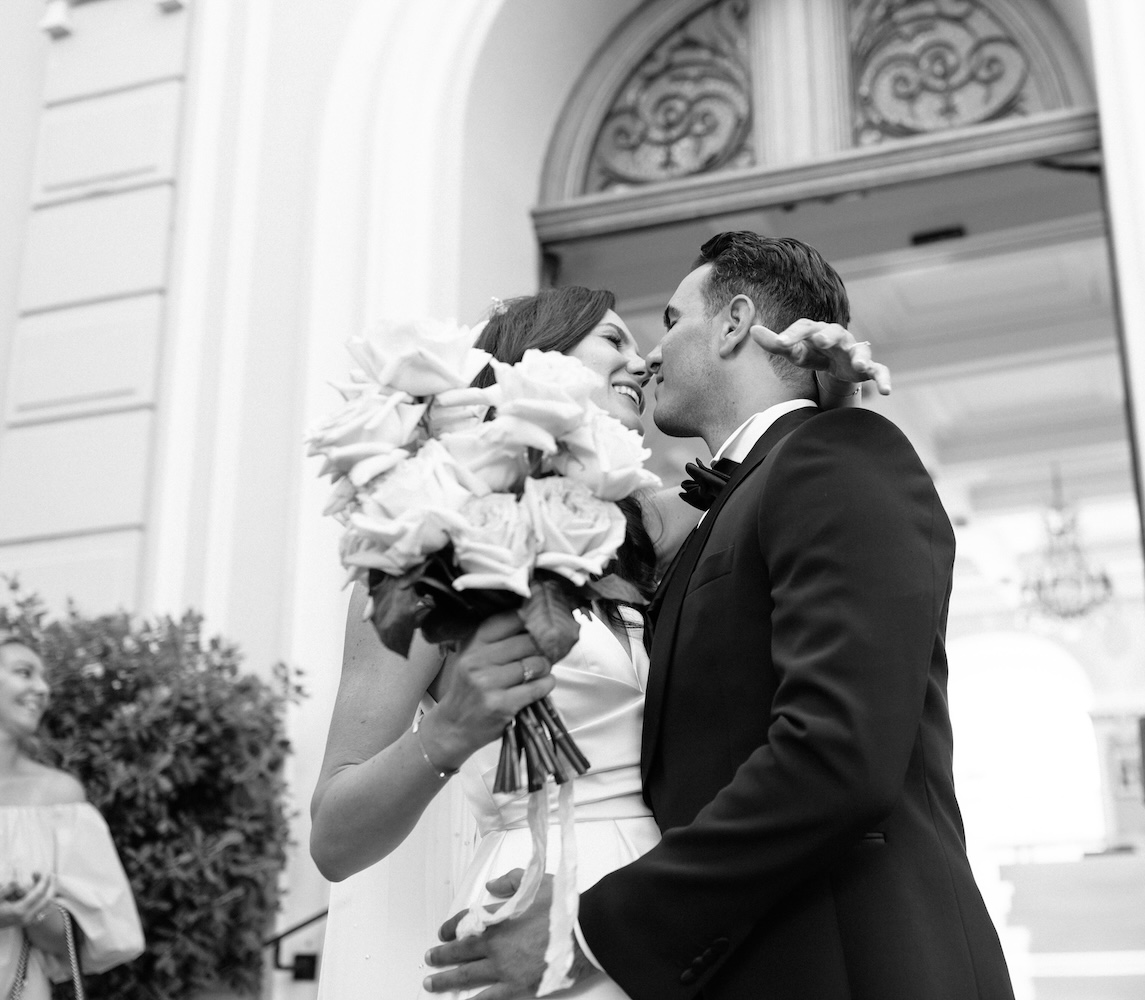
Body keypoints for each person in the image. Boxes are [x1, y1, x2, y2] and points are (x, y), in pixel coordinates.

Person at [425, 233, 1014, 1000]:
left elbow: (833, 756)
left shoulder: (837, 453)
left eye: (671, 320)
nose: (652, 355)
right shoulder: (716, 510)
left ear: (735, 323)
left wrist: (585, 932)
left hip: (858, 963)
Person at [310, 286, 886, 999]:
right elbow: (335, 838)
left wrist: (829, 404)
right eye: (614, 339)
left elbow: (788, 489)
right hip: (537, 894)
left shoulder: (655, 527)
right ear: (534, 357)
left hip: (670, 914)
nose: (643, 361)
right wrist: (451, 730)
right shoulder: (425, 531)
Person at [0, 634, 145, 998]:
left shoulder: (58, 799)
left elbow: (79, 944)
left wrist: (30, 911)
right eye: (24, 672)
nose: (42, 688)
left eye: (43, 676)